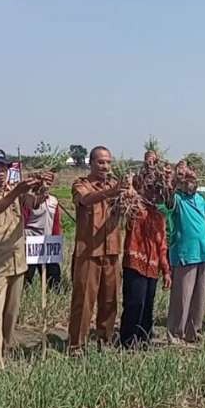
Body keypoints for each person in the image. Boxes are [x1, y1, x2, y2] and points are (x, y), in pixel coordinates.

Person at [0, 149, 48, 366]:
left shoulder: (16, 191)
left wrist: (43, 186)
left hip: (17, 264)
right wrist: (15, 193)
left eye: (3, 167)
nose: (0, 171)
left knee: (10, 316)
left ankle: (4, 351)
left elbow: (34, 203)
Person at [69, 146, 125, 350]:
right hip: (88, 253)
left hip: (111, 250)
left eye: (108, 162)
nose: (105, 166)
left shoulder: (114, 184)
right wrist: (110, 192)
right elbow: (85, 199)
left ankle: (105, 341)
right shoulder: (81, 184)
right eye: (101, 162)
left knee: (110, 300)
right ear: (91, 163)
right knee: (83, 301)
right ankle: (76, 345)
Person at [119, 164, 171, 349]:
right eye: (150, 189)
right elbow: (127, 196)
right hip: (135, 263)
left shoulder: (159, 216)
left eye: (156, 191)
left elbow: (162, 245)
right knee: (135, 302)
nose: (153, 194)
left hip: (153, 266)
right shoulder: (135, 208)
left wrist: (166, 271)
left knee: (148, 304)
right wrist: (131, 183)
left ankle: (144, 339)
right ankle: (127, 340)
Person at [166, 161, 205, 343]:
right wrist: (174, 179)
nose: (191, 182)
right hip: (185, 254)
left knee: (199, 297)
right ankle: (176, 334)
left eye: (193, 178)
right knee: (181, 298)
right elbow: (167, 199)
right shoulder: (177, 198)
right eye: (187, 178)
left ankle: (194, 332)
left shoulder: (200, 199)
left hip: (202, 253)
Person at [22, 186, 63, 291]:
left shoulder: (53, 200)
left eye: (49, 183)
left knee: (53, 276)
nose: (46, 186)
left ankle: (53, 299)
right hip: (30, 243)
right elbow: (23, 221)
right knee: (26, 276)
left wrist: (56, 239)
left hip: (48, 243)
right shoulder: (30, 200)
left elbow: (56, 223)